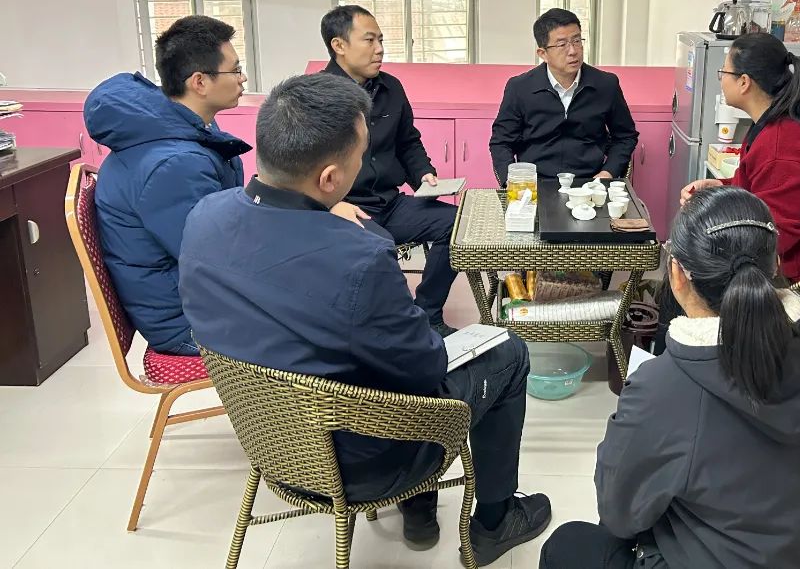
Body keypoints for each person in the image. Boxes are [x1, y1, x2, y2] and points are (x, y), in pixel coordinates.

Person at [179, 74, 552, 565]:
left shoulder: (204, 216)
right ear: (330, 179)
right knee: (507, 351)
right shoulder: (360, 258)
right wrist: (365, 241)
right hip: (361, 463)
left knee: (381, 350)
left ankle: (421, 506)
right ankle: (495, 521)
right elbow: (424, 370)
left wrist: (320, 215)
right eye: (361, 156)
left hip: (271, 440)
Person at [540, 187, 800, 569]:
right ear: (775, 263)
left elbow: (618, 513)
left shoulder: (664, 388)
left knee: (568, 545)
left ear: (676, 273)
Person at [85, 15, 251, 355]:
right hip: (190, 321)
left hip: (194, 300)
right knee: (329, 318)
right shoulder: (174, 164)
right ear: (199, 82)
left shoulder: (180, 131)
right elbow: (217, 261)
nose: (242, 78)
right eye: (235, 70)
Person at [681, 33, 800, 328]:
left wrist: (717, 254)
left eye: (724, 72)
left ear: (744, 82)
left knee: (691, 286)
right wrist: (720, 187)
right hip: (797, 270)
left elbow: (779, 233)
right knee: (689, 271)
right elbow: (756, 191)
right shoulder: (771, 127)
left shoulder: (781, 142)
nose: (721, 80)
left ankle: (689, 351)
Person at [320, 5, 459, 337]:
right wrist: (331, 204)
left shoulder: (391, 88)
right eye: (369, 40)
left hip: (390, 203)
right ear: (339, 45)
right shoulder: (316, 96)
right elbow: (302, 164)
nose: (380, 49)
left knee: (457, 226)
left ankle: (428, 316)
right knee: (380, 250)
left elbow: (408, 142)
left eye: (381, 40)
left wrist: (423, 174)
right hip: (342, 208)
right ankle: (390, 330)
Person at [489, 8, 638, 184]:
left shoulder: (606, 85)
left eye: (577, 40)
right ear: (543, 53)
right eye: (562, 45)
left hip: (590, 182)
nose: (573, 51)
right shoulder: (520, 88)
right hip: (536, 183)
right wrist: (513, 182)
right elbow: (501, 142)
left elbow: (625, 137)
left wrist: (608, 172)